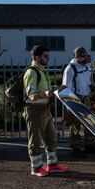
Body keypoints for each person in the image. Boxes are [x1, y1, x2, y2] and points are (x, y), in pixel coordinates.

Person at [23, 45, 69, 177]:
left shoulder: (42, 71)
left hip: (44, 109)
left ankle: (52, 165)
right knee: (35, 139)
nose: (47, 59)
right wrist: (45, 93)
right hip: (34, 110)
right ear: (37, 57)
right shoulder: (32, 72)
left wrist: (57, 89)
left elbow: (45, 90)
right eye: (45, 56)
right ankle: (36, 167)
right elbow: (30, 93)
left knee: (51, 137)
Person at [62, 46, 95, 158]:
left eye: (86, 56)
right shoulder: (70, 69)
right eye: (83, 57)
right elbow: (66, 88)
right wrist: (69, 105)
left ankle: (89, 145)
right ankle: (76, 148)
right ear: (77, 57)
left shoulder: (87, 66)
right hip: (75, 98)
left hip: (87, 97)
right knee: (75, 124)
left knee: (90, 121)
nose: (86, 58)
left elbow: (90, 82)